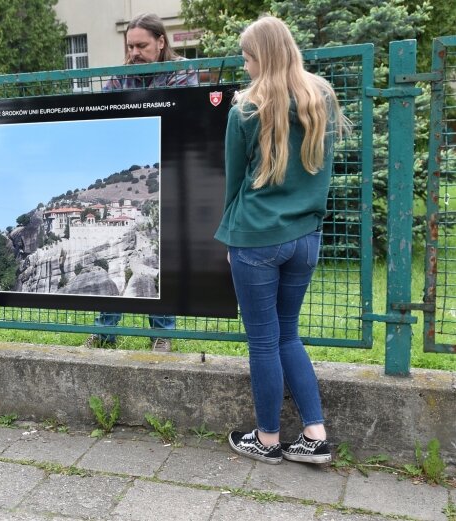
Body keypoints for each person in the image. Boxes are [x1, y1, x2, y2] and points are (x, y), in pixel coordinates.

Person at [214, 16, 350, 464]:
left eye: (248, 58)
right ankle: (314, 436)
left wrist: (233, 240)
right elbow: (324, 174)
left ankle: (268, 440)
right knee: (287, 335)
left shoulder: (245, 110)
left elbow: (234, 183)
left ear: (263, 57)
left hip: (256, 239)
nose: (246, 66)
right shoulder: (320, 99)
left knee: (263, 341)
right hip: (305, 237)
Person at [84, 12, 197, 352]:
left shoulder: (182, 75)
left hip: (171, 179)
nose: (134, 53)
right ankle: (104, 331)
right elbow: (101, 116)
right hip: (131, 178)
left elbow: (182, 118)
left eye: (142, 46)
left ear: (161, 42)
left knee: (158, 255)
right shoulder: (121, 78)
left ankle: (162, 333)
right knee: (119, 254)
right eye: (130, 46)